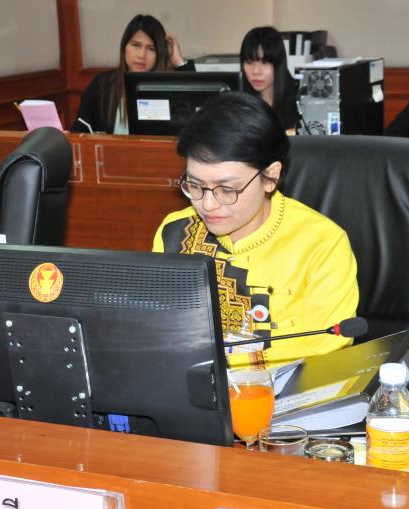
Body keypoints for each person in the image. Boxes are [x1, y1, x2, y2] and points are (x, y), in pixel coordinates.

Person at [153, 92, 358, 368]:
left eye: (227, 189)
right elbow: (159, 329)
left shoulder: (322, 244)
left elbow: (326, 352)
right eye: (195, 185)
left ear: (270, 176)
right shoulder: (175, 232)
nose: (208, 204)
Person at [70, 14, 191, 134]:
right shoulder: (102, 84)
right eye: (136, 45)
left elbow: (192, 125)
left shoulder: (167, 88)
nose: (141, 55)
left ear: (159, 54)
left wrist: (179, 62)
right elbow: (79, 130)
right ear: (124, 47)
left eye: (151, 49)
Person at [240, 26, 298, 132]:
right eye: (249, 62)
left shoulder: (298, 102)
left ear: (278, 64)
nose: (256, 71)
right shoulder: (239, 105)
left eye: (265, 62)